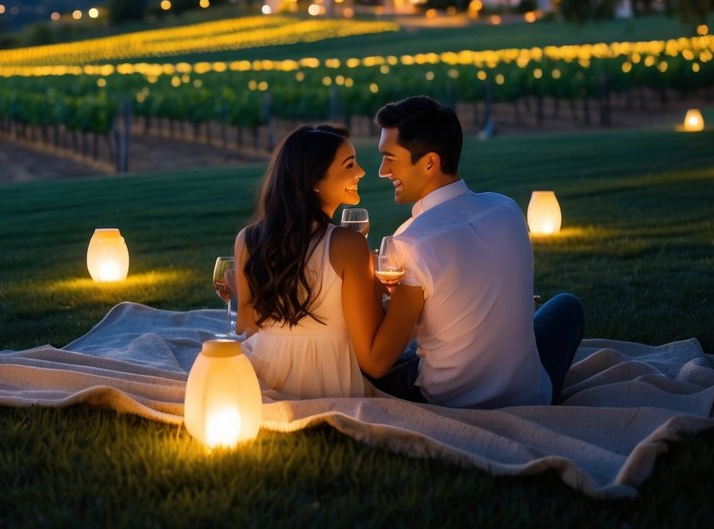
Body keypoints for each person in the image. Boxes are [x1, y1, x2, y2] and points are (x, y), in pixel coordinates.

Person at [366, 95, 585, 407]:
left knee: (360, 365)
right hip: (532, 393)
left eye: (390, 158)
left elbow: (380, 360)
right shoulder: (507, 207)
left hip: (449, 400)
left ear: (430, 163)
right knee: (567, 306)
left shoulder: (410, 241)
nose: (382, 171)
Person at [234, 124, 404, 398]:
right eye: (349, 165)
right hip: (327, 380)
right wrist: (403, 296)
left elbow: (246, 324)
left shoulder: (247, 239)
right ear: (314, 181)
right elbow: (372, 359)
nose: (361, 172)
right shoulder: (350, 246)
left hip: (259, 373)